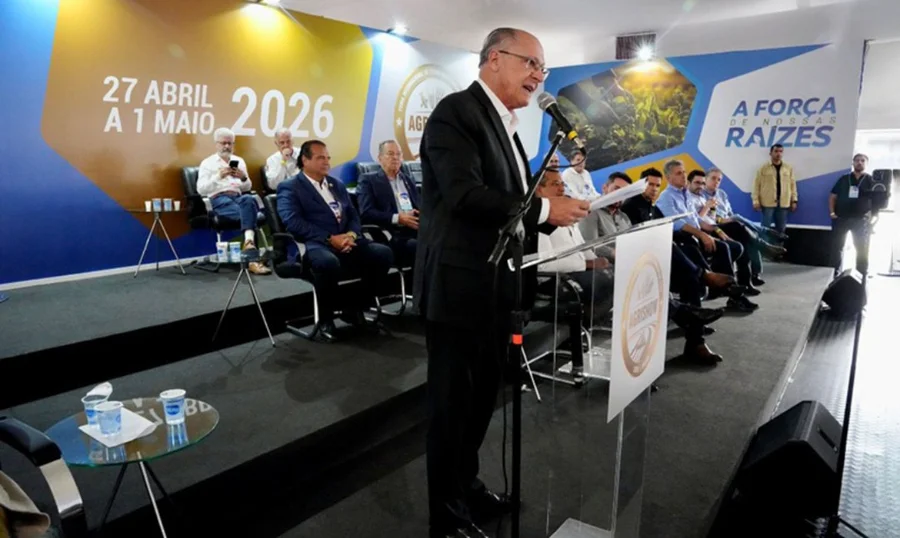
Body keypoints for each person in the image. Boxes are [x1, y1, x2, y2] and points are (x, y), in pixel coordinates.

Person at [413, 27, 589, 538]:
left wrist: (546, 214)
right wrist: (543, 209)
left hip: (497, 288)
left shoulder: (508, 125)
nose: (538, 75)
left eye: (543, 67)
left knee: (481, 400)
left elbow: (508, 205)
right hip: (459, 288)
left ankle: (465, 490)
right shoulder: (456, 112)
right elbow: (465, 194)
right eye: (530, 62)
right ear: (494, 60)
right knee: (451, 409)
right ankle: (446, 518)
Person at [276, 140, 394, 343]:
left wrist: (351, 235)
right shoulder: (290, 187)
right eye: (320, 157)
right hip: (314, 243)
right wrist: (330, 238)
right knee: (327, 262)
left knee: (383, 254)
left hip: (346, 240)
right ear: (305, 160)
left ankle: (355, 307)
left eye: (328, 157)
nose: (326, 162)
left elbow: (354, 215)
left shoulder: (336, 184)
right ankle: (326, 319)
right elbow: (293, 222)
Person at [656, 160, 758, 312]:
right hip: (682, 240)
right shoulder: (666, 197)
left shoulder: (686, 195)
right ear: (668, 178)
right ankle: (720, 288)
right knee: (706, 250)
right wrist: (702, 235)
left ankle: (732, 294)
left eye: (684, 172)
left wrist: (717, 232)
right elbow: (677, 223)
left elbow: (698, 220)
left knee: (726, 246)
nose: (684, 176)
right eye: (679, 173)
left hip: (696, 236)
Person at [197, 127, 270, 275]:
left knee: (248, 198)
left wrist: (243, 177)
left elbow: (247, 186)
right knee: (250, 214)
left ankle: (249, 248)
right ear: (216, 144)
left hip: (239, 197)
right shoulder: (208, 163)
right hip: (220, 199)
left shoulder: (239, 161)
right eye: (223, 143)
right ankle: (252, 256)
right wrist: (218, 177)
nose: (227, 146)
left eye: (230, 143)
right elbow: (201, 189)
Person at [704, 167, 785, 285]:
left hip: (730, 223)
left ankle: (753, 275)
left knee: (750, 237)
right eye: (713, 178)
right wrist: (724, 220)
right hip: (716, 226)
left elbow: (729, 212)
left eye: (719, 180)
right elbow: (707, 217)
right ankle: (765, 238)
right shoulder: (701, 195)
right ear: (706, 179)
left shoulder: (722, 194)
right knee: (740, 223)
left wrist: (729, 219)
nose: (716, 181)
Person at [357, 139, 420, 269]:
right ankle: (417, 287)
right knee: (420, 247)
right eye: (390, 154)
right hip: (391, 234)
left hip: (415, 229)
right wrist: (398, 218)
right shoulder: (368, 180)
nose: (395, 158)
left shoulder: (408, 179)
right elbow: (366, 213)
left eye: (399, 154)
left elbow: (419, 205)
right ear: (380, 158)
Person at [829, 153, 874, 275]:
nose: (860, 162)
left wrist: (873, 214)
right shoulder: (844, 178)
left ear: (866, 164)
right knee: (837, 247)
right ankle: (834, 273)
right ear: (853, 163)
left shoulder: (870, 180)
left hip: (860, 220)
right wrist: (832, 212)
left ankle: (861, 273)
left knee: (862, 248)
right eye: (857, 160)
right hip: (841, 218)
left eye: (862, 161)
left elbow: (876, 199)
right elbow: (833, 196)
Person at [752, 144, 797, 234]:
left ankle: (779, 248)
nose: (778, 154)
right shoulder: (763, 168)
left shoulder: (788, 168)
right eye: (776, 151)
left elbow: (793, 185)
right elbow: (756, 185)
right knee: (765, 229)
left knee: (781, 229)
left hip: (783, 203)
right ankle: (764, 247)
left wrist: (794, 200)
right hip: (767, 203)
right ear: (770, 153)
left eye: (781, 151)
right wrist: (755, 200)